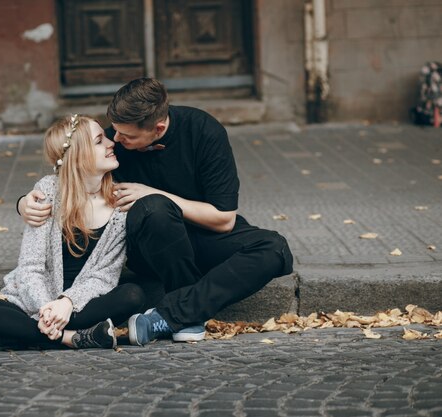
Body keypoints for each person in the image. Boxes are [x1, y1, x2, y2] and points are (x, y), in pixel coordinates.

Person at [17, 78, 294, 347]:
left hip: (205, 235)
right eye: (113, 131)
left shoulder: (204, 132)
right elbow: (71, 172)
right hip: (151, 244)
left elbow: (224, 219)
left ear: (158, 127)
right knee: (154, 210)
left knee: (274, 248)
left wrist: (156, 193)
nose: (115, 139)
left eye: (126, 136)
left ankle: (172, 316)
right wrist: (24, 202)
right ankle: (186, 314)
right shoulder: (116, 139)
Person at [0, 114, 146, 350]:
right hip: (32, 303)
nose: (111, 143)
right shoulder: (47, 191)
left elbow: (104, 277)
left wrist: (67, 303)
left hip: (82, 307)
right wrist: (47, 308)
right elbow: (30, 267)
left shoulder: (120, 204)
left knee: (133, 295)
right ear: (78, 155)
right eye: (99, 140)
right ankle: (73, 338)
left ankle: (13, 334)